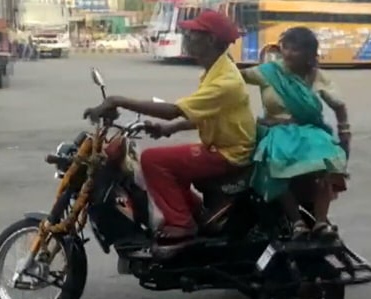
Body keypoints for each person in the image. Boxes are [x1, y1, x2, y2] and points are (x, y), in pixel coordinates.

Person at [83, 10, 256, 250]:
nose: (186, 36)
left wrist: (117, 100)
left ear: (211, 40)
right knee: (168, 164)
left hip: (229, 153)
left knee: (153, 160)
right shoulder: (216, 71)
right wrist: (169, 129)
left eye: (193, 33)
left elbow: (174, 110)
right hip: (220, 146)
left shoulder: (225, 81)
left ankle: (181, 224)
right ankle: (197, 213)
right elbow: (202, 113)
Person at [240, 27, 349, 240]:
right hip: (277, 132)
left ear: (309, 55)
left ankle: (320, 222)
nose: (288, 53)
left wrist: (345, 131)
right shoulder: (269, 71)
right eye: (286, 47)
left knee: (327, 160)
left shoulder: (318, 77)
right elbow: (236, 77)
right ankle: (297, 221)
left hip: (308, 131)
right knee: (277, 163)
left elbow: (339, 105)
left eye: (296, 49)